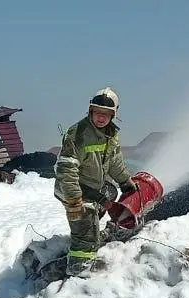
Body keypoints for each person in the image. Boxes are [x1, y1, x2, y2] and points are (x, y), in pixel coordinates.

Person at [53, 87, 137, 277]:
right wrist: (75, 203)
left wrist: (125, 182)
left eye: (106, 114)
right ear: (91, 111)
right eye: (98, 113)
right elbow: (66, 171)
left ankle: (85, 228)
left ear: (113, 115)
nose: (101, 118)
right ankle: (78, 272)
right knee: (86, 226)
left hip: (92, 187)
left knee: (110, 193)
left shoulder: (111, 135)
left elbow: (114, 162)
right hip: (71, 187)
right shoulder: (78, 134)